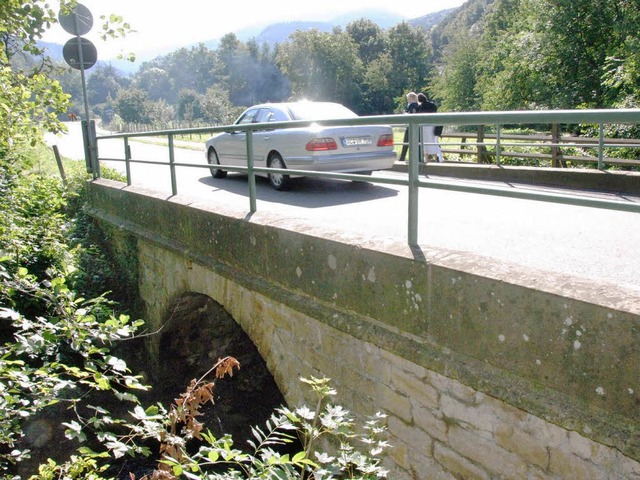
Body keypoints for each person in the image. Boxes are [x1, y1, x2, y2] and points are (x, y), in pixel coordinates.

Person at [417, 92, 444, 163]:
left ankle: (427, 159)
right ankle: (437, 157)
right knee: (433, 141)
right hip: (433, 124)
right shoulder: (432, 105)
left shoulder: (420, 107)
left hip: (424, 126)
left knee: (425, 142)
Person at [398, 92, 420, 162]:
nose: (407, 100)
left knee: (406, 143)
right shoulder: (419, 105)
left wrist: (405, 113)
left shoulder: (411, 105)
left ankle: (402, 158)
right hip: (417, 127)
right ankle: (417, 158)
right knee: (417, 143)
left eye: (408, 98)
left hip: (410, 127)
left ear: (411, 98)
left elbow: (410, 114)